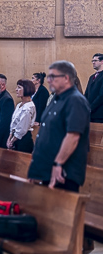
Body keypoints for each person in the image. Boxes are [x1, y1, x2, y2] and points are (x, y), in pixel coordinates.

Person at [28, 60, 90, 192]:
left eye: (52, 77)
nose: (49, 80)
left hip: (64, 171)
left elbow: (73, 136)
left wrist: (58, 163)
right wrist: (36, 167)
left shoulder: (75, 100)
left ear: (66, 78)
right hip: (48, 167)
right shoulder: (57, 98)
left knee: (58, 211)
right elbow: (46, 132)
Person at [6, 79, 36, 153]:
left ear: (26, 89)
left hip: (23, 140)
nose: (16, 89)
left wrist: (12, 141)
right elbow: (13, 123)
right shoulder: (20, 105)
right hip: (15, 137)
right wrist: (9, 137)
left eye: (19, 87)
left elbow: (22, 128)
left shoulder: (28, 107)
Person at [84, 53, 103, 122]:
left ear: (102, 61)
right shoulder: (91, 77)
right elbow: (86, 94)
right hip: (90, 114)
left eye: (95, 60)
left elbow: (101, 96)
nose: (93, 62)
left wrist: (90, 108)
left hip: (99, 114)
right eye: (92, 61)